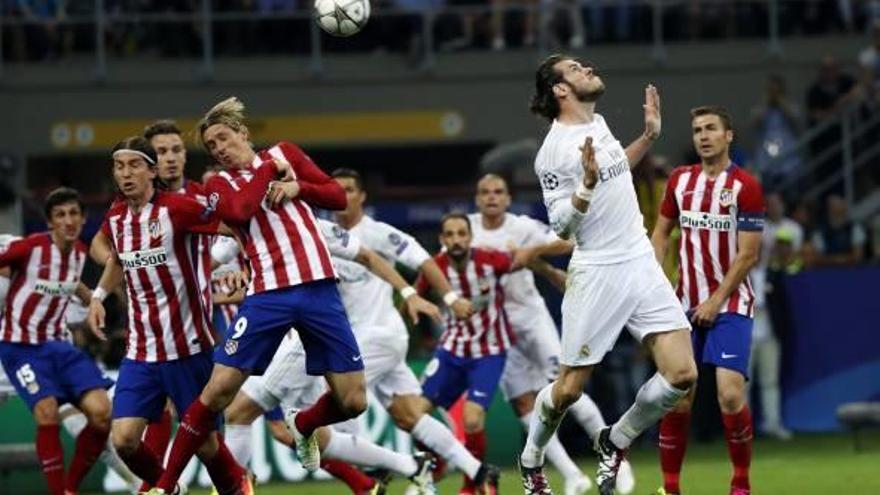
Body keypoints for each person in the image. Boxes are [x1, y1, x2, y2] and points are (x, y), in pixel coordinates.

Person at [148, 97, 368, 494]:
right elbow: (242, 208)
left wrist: (298, 184)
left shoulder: (286, 153)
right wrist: (269, 171)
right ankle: (164, 486)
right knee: (217, 392)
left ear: (243, 133)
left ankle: (304, 424)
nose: (218, 149)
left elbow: (336, 196)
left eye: (223, 139)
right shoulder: (219, 184)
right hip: (268, 295)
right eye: (211, 146)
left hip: (319, 288)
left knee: (353, 402)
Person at [518, 54, 697, 495]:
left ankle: (614, 440)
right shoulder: (554, 150)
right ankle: (531, 460)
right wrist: (585, 187)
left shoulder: (597, 125)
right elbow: (561, 225)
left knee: (682, 375)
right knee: (568, 392)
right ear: (560, 89)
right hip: (597, 269)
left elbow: (614, 169)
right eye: (576, 69)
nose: (588, 69)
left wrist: (648, 137)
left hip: (638, 259)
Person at [222, 217, 442, 494]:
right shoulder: (248, 233)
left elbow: (368, 256)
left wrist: (409, 292)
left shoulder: (310, 227)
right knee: (304, 430)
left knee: (246, 414)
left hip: (298, 342)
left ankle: (232, 487)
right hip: (285, 342)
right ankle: (404, 467)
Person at [87, 136, 252, 495]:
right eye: (119, 166)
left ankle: (236, 486)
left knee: (208, 447)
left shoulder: (177, 209)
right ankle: (170, 490)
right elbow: (119, 260)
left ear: (151, 170)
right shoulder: (116, 217)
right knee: (125, 439)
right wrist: (99, 295)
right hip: (141, 352)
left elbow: (236, 226)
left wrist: (251, 264)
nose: (125, 173)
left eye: (133, 165)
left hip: (189, 349)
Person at [330, 170, 502, 495]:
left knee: (328, 409)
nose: (343, 196)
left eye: (349, 190)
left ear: (362, 196)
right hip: (366, 342)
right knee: (410, 416)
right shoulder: (324, 237)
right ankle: (479, 472)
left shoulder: (377, 233)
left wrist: (449, 297)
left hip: (378, 336)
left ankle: (389, 467)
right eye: (336, 191)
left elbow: (421, 257)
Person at [468, 173, 635, 495]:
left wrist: (534, 254)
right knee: (523, 405)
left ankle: (615, 457)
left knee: (566, 386)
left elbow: (568, 241)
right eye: (485, 192)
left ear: (507, 198)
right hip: (495, 328)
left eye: (498, 191)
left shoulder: (522, 226)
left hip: (531, 319)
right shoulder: (468, 229)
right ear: (477, 198)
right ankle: (573, 475)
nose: (491, 197)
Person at [652, 106, 766, 495]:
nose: (703, 135)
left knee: (730, 396)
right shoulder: (680, 181)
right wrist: (656, 284)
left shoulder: (746, 186)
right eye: (698, 129)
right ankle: (670, 488)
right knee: (678, 398)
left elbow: (748, 255)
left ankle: (741, 484)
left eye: (711, 128)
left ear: (728, 136)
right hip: (683, 304)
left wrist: (716, 300)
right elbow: (661, 234)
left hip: (731, 305)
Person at [418, 212, 544, 494]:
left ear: (470, 237)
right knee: (414, 414)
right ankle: (434, 466)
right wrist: (418, 310)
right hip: (451, 351)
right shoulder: (434, 267)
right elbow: (415, 298)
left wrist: (550, 267)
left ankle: (471, 482)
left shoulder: (491, 260)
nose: (456, 240)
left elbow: (522, 259)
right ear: (442, 240)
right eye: (449, 235)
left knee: (472, 419)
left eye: (461, 233)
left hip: (489, 352)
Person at [0, 187, 115, 495]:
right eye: (60, 215)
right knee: (47, 411)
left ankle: (70, 488)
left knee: (102, 413)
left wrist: (92, 299)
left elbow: (69, 281)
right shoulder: (28, 247)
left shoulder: (78, 252)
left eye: (74, 213)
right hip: (19, 348)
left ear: (83, 217)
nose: (68, 220)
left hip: (59, 347)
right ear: (49, 222)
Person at [749, 193, 801, 441]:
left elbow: (783, 305)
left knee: (770, 381)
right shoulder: (739, 274)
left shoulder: (774, 273)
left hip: (770, 333)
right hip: (745, 335)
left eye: (760, 248)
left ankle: (773, 423)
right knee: (743, 384)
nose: (756, 252)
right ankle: (742, 429)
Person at [808, 194, 867, 266]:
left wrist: (841, 260)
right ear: (829, 209)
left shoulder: (854, 228)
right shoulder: (820, 231)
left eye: (840, 205)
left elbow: (858, 255)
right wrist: (836, 260)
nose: (836, 209)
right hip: (826, 272)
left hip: (851, 270)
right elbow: (817, 257)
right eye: (833, 206)